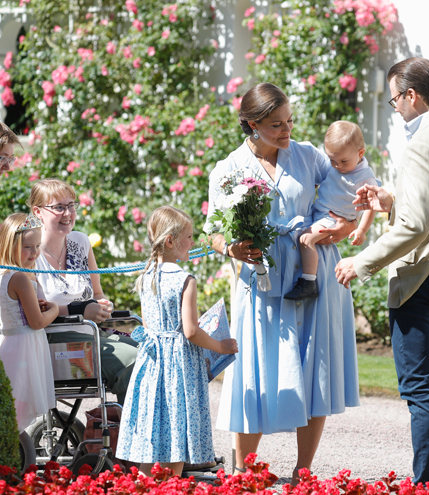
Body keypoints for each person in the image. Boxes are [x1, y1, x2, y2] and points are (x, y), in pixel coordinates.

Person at [335, 57, 429, 489]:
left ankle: (423, 484)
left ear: (412, 95)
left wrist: (360, 262)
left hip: (420, 278)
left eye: (395, 99)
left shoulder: (422, 143)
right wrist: (389, 199)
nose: (395, 108)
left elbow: (417, 226)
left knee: (421, 388)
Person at [205, 83, 360, 484]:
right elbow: (211, 232)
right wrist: (231, 249)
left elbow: (345, 200)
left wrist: (341, 230)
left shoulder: (308, 155)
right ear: (252, 125)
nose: (287, 129)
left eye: (289, 120)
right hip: (261, 280)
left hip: (314, 272)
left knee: (314, 368)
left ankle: (302, 471)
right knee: (253, 371)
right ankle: (242, 470)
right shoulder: (228, 169)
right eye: (276, 124)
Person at [116, 206, 237, 477]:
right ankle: (172, 486)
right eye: (190, 237)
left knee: (154, 429)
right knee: (177, 431)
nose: (193, 243)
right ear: (171, 241)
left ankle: (144, 485)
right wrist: (221, 346)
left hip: (152, 362)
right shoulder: (185, 280)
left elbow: (148, 325)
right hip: (179, 366)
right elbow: (191, 331)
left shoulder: (145, 277)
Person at [29, 179, 138, 405]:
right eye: (59, 207)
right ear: (38, 212)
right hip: (54, 341)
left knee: (153, 350)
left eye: (71, 205)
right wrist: (81, 309)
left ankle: (134, 428)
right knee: (133, 360)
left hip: (91, 334)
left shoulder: (81, 241)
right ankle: (129, 434)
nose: (67, 213)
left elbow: (96, 293)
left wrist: (102, 305)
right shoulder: (30, 255)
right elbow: (34, 312)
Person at [284, 120, 378, 300]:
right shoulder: (338, 167)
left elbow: (371, 208)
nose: (338, 166)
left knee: (305, 239)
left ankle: (308, 283)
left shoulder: (365, 177)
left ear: (360, 153)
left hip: (333, 218)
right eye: (332, 160)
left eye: (343, 161)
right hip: (320, 213)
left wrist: (361, 230)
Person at [0, 213, 59, 431]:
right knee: (19, 409)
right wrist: (52, 309)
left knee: (15, 408)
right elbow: (36, 322)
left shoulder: (6, 273)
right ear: (11, 245)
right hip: (25, 348)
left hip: (15, 344)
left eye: (37, 246)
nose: (34, 253)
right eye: (27, 247)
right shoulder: (21, 277)